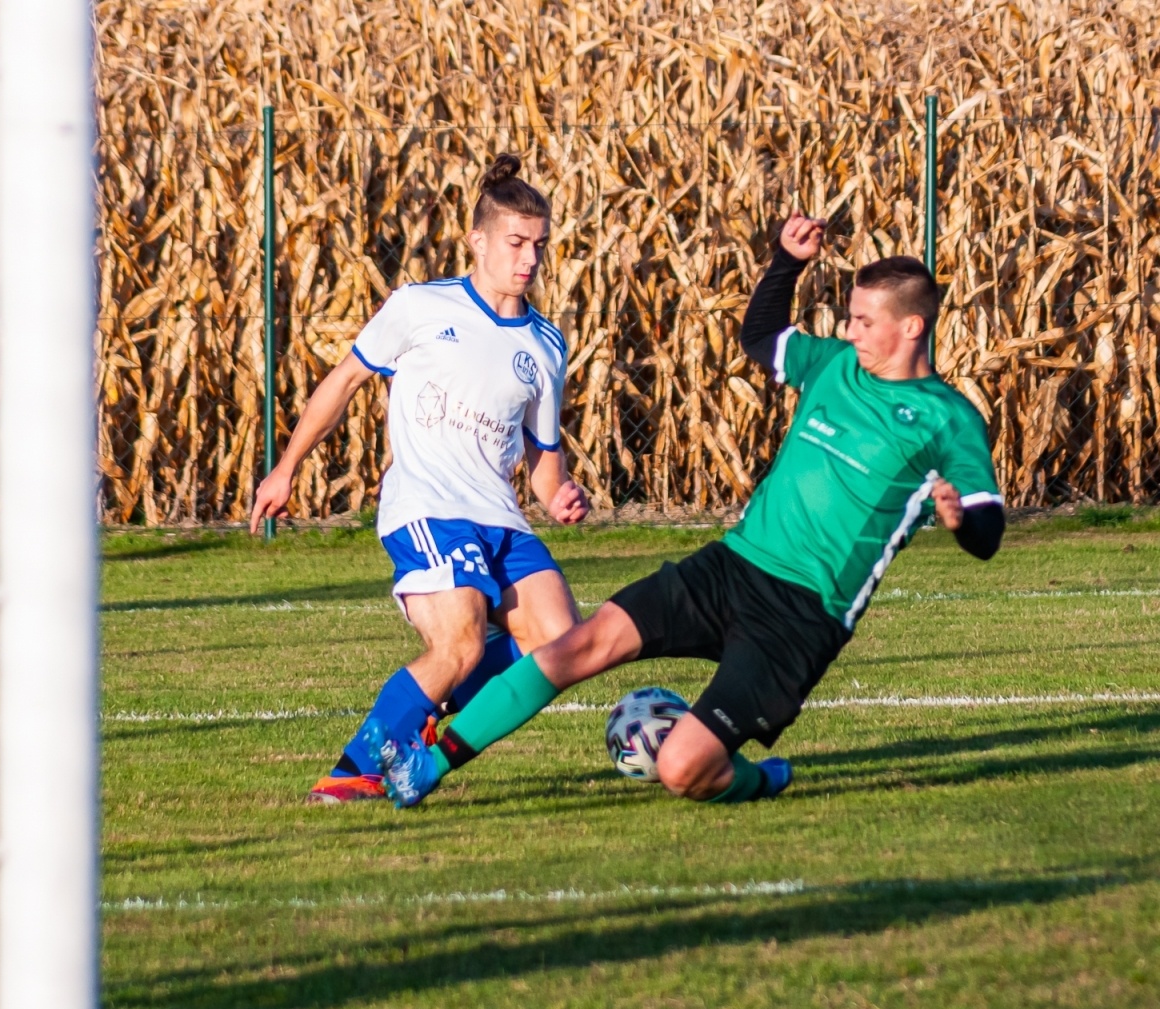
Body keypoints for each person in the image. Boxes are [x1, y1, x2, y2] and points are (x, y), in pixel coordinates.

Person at [371, 211, 1006, 808]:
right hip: (731, 567)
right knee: (577, 646)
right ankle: (429, 766)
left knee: (681, 769)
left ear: (911, 327)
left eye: (864, 321)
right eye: (850, 318)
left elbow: (988, 531)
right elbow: (761, 336)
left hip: (802, 616)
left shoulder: (948, 419)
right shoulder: (834, 366)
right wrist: (786, 262)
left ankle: (759, 778)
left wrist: (960, 520)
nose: (849, 331)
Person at [250, 155, 591, 803]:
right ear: (478, 240)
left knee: (563, 643)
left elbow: (545, 464)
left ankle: (433, 704)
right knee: (460, 642)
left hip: (501, 518)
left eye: (540, 245)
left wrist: (560, 496)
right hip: (428, 507)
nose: (529, 259)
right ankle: (354, 768)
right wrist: (286, 468)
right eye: (516, 243)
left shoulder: (545, 345)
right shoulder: (421, 306)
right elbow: (344, 382)